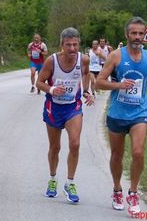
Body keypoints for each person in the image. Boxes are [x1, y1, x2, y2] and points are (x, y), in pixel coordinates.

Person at [96, 17, 147, 216]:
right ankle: (117, 189)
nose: (137, 37)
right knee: (117, 156)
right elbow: (98, 83)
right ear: (127, 35)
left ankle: (133, 193)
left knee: (138, 152)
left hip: (139, 113)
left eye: (140, 34)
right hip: (117, 113)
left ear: (144, 36)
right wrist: (118, 85)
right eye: (133, 33)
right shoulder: (116, 56)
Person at [36, 27, 94, 203]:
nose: (72, 48)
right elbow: (39, 82)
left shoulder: (83, 60)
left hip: (72, 108)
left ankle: (70, 183)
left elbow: (85, 74)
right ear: (62, 45)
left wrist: (86, 92)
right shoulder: (51, 61)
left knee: (75, 144)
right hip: (54, 107)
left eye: (75, 44)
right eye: (68, 45)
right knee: (55, 147)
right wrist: (52, 89)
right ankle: (53, 180)